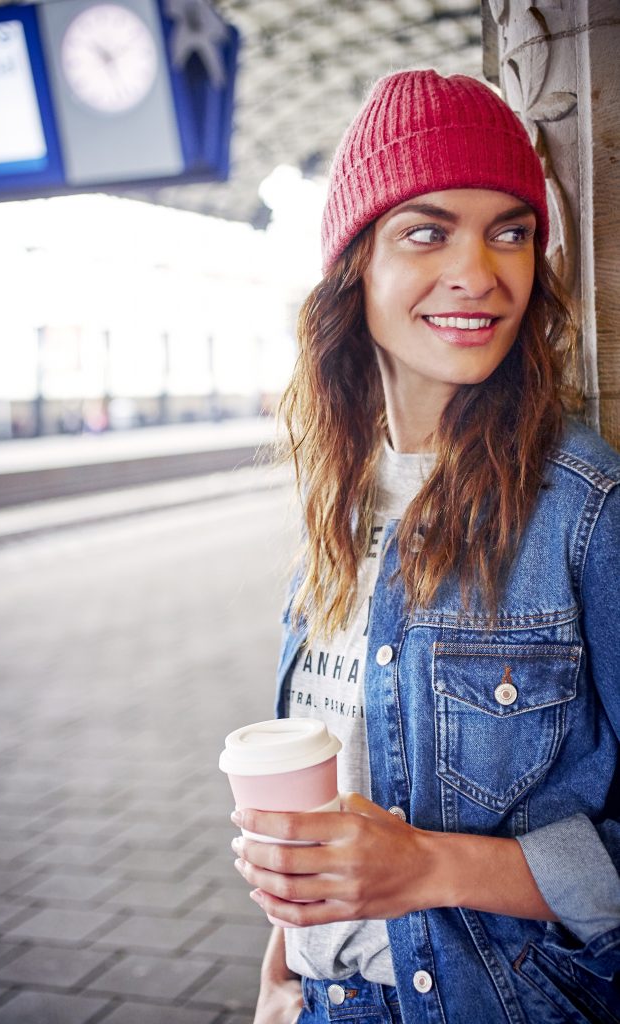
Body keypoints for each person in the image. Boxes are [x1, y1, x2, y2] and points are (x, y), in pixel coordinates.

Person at [229, 70, 620, 1023]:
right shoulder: (342, 499)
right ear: (355, 264)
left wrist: (427, 868)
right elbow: (351, 769)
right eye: (427, 230)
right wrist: (287, 961)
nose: (481, 271)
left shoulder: (584, 508)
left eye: (509, 231)